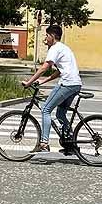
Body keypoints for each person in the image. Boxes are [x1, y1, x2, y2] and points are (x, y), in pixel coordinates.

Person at [22, 25, 82, 153]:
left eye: (47, 35)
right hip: (76, 84)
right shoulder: (64, 48)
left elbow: (45, 67)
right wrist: (44, 81)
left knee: (46, 109)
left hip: (67, 84)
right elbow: (59, 71)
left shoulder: (54, 48)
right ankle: (70, 143)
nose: (46, 38)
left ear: (53, 36)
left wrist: (29, 82)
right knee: (60, 113)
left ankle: (44, 143)